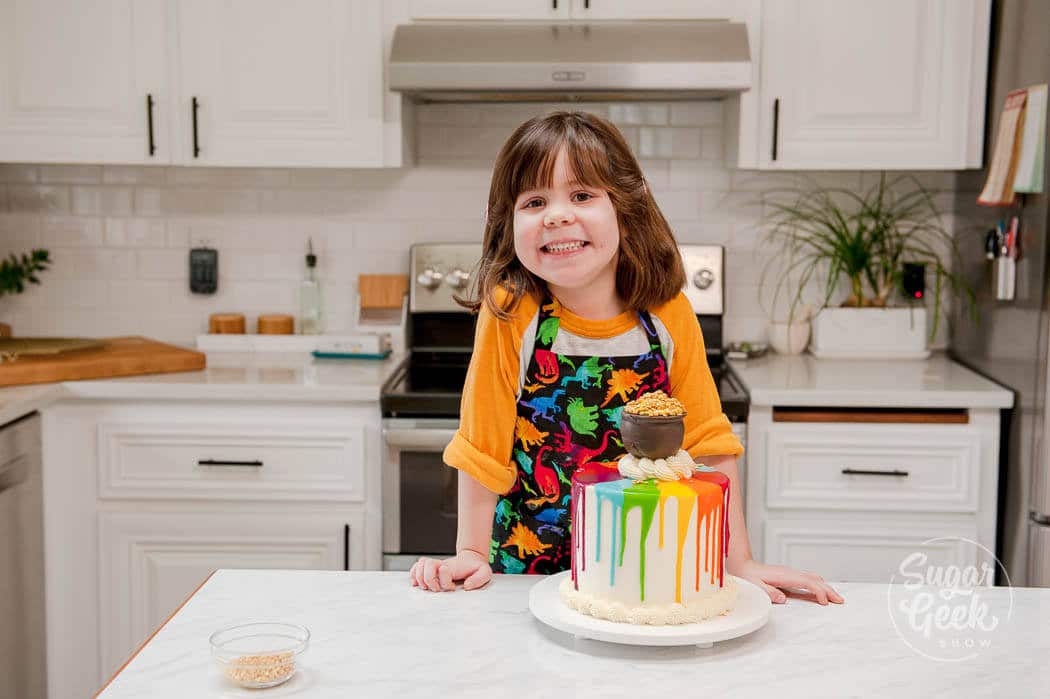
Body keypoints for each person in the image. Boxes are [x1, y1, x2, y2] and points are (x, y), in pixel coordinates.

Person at [409, 111, 843, 606]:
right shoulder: (514, 309)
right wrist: (470, 550)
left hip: (649, 566)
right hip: (526, 578)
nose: (556, 215)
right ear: (507, 225)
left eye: (581, 195)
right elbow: (481, 446)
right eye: (533, 201)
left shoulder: (666, 312)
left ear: (625, 208)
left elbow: (707, 440)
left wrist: (737, 561)